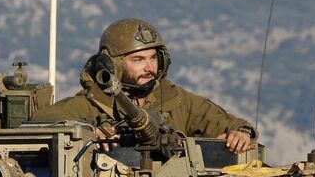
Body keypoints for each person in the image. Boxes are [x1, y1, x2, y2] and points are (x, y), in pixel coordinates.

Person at [30, 18, 256, 153]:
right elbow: (39, 122)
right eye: (138, 60)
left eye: (153, 58)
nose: (149, 67)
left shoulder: (174, 99)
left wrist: (241, 133)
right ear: (114, 66)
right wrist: (87, 132)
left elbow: (229, 123)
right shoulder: (94, 102)